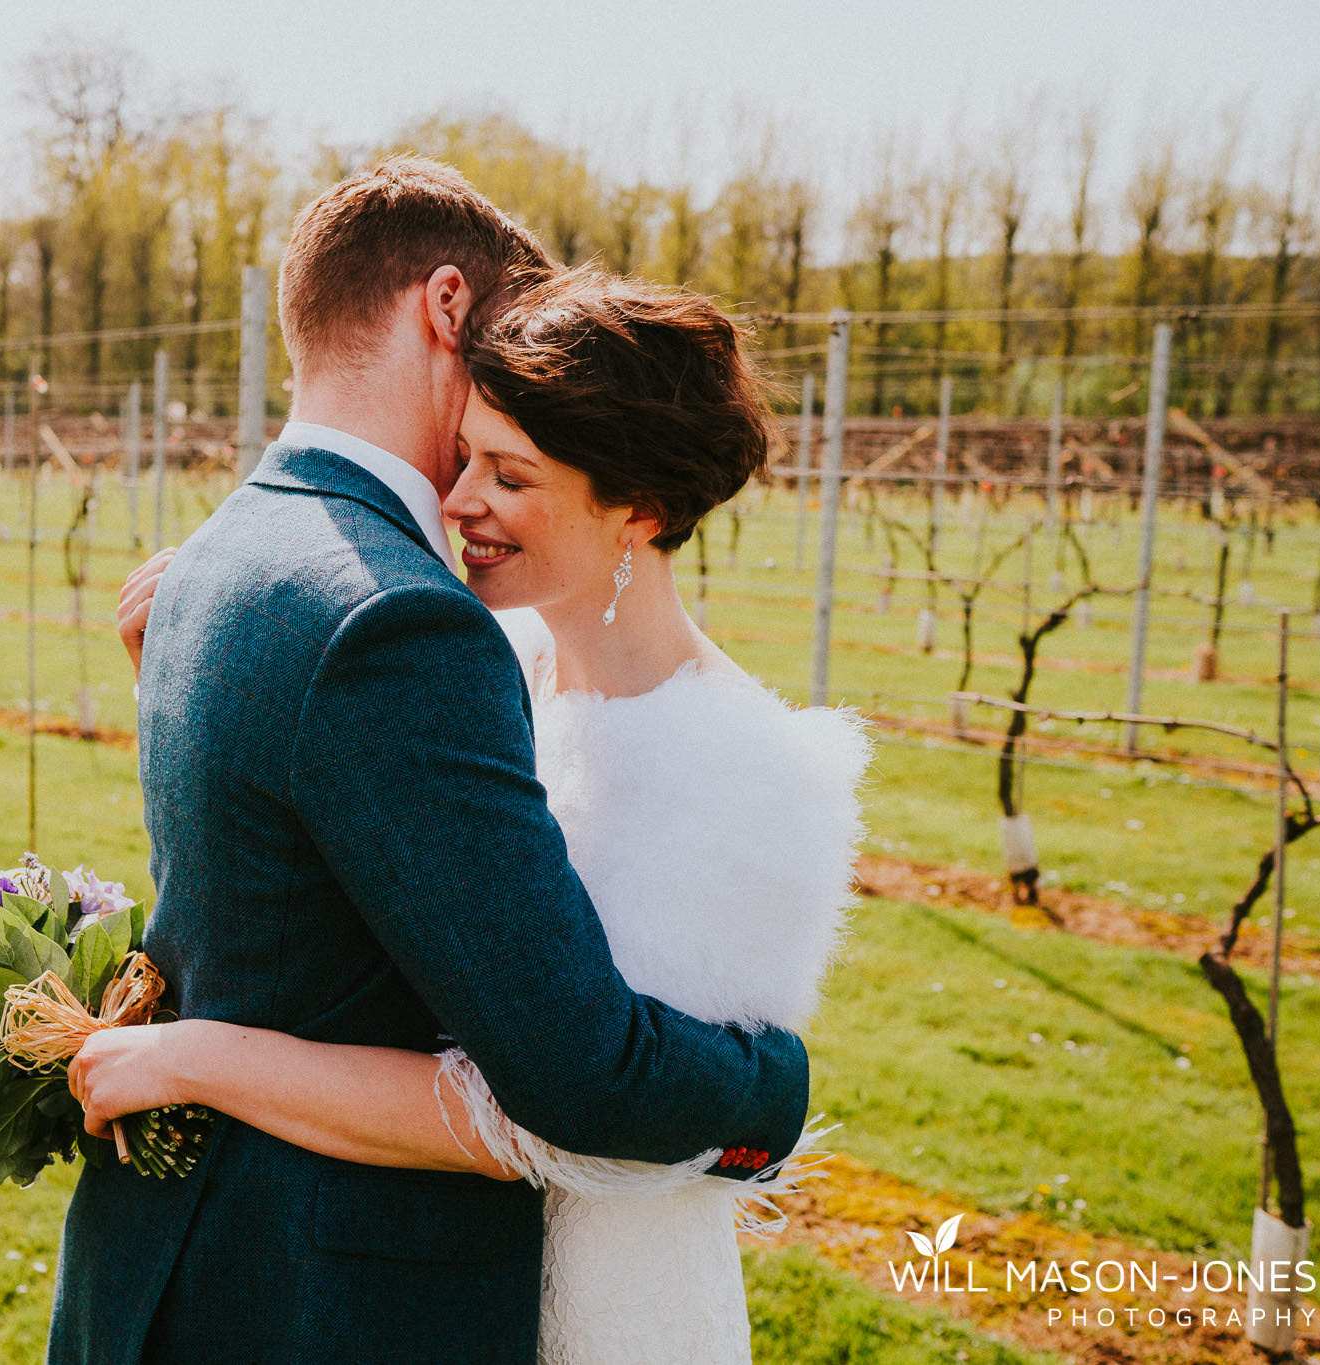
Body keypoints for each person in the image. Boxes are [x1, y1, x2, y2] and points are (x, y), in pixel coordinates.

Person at [46, 158, 814, 1365]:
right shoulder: (399, 621)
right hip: (312, 1294)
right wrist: (772, 1094)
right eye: (500, 332)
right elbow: (575, 1072)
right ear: (446, 306)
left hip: (174, 1258)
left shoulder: (211, 554)